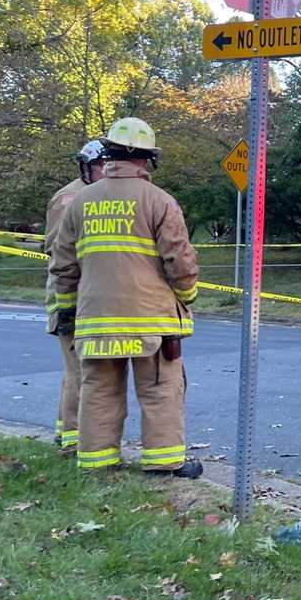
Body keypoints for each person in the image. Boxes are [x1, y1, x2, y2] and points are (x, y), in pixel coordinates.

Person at [49, 117, 202, 478]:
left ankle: (97, 463)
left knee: (99, 390)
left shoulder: (78, 202)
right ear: (147, 160)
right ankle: (164, 462)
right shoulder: (160, 201)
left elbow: (63, 265)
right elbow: (179, 259)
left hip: (96, 320)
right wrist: (187, 294)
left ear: (109, 154)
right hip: (152, 321)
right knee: (160, 389)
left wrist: (68, 310)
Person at [44, 140, 107, 455]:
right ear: (86, 167)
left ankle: (65, 431)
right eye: (100, 166)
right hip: (67, 294)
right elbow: (59, 253)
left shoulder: (100, 195)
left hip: (88, 294)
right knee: (78, 370)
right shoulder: (70, 198)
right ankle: (72, 439)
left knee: (82, 369)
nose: (106, 171)